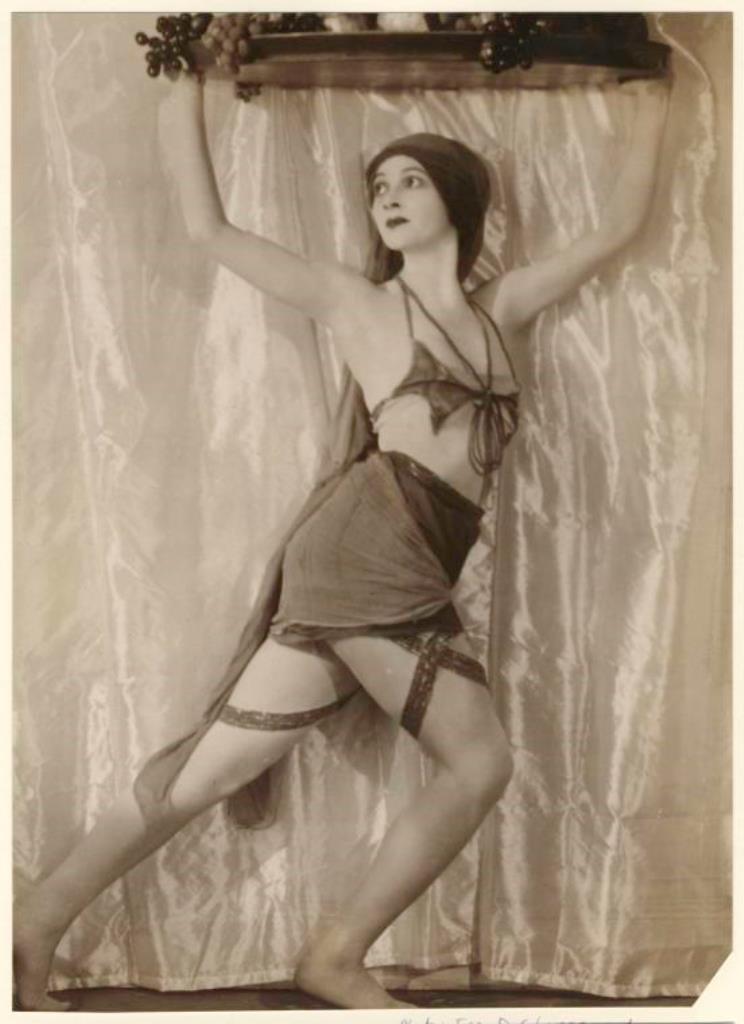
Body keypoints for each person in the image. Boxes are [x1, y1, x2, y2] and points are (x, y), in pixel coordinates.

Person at [14, 71, 669, 1011]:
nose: (388, 198)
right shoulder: (360, 304)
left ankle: (33, 925)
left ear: (459, 196)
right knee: (479, 761)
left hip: (399, 557)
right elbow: (211, 233)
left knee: (218, 767)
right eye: (377, 187)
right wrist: (184, 92)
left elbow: (619, 230)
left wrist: (652, 105)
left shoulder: (503, 310)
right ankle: (336, 958)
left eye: (408, 181)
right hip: (367, 546)